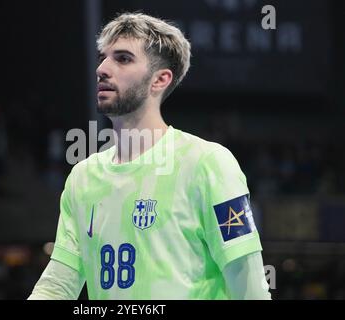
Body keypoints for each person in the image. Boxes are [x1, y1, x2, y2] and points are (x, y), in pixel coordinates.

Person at [28, 12, 271, 300]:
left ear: (159, 80)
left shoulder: (208, 164)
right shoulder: (81, 178)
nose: (103, 69)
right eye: (103, 57)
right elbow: (58, 285)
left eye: (123, 58)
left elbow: (251, 290)